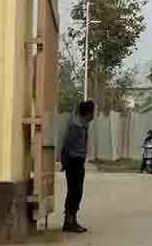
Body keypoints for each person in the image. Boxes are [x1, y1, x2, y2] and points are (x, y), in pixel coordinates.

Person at [61, 100, 95, 234]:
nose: (93, 116)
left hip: (79, 162)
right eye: (92, 112)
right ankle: (69, 221)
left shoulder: (83, 125)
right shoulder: (76, 126)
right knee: (74, 192)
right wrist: (65, 162)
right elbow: (67, 145)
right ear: (88, 113)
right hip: (73, 162)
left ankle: (72, 220)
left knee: (77, 192)